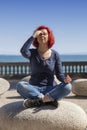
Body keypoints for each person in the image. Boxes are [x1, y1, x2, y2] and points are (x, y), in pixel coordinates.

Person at [16, 25, 72, 108]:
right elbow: (23, 51)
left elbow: (59, 75)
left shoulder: (55, 55)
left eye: (44, 34)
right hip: (34, 88)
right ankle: (47, 100)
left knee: (68, 87)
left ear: (49, 37)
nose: (42, 35)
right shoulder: (32, 53)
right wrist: (33, 36)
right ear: (36, 37)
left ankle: (37, 101)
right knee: (20, 85)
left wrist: (65, 80)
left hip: (50, 89)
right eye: (39, 34)